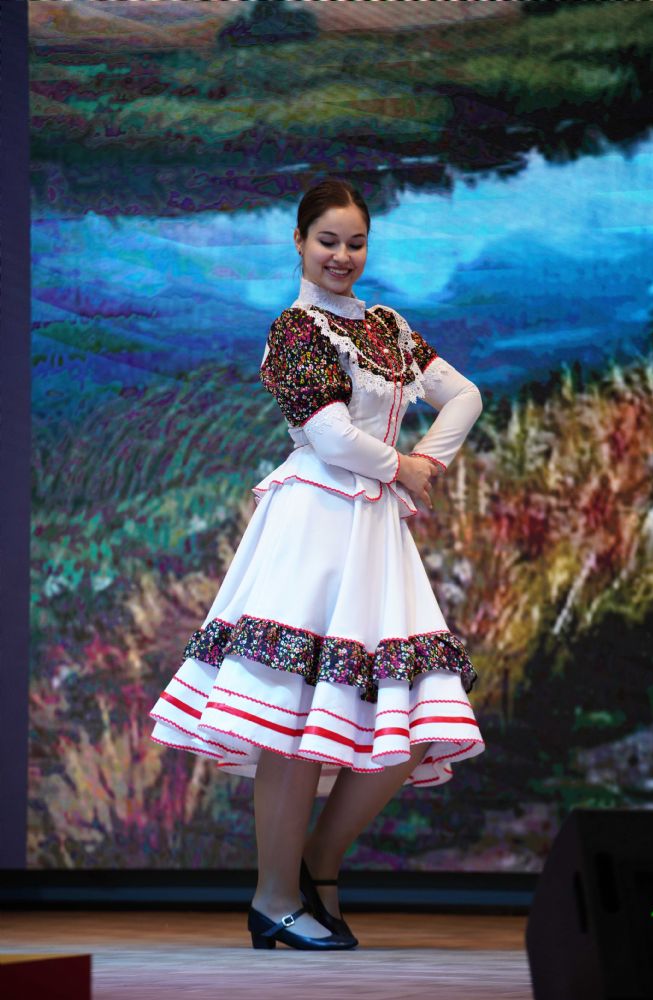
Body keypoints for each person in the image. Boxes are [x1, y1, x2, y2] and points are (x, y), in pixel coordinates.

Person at [148, 177, 485, 951]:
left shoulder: (388, 326)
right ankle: (274, 898)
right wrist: (402, 467)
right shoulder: (296, 328)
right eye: (327, 240)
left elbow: (463, 395)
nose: (341, 255)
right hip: (314, 522)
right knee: (291, 711)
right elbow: (329, 436)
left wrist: (427, 462)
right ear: (298, 242)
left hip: (373, 531)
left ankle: (317, 864)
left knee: (412, 711)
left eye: (354, 242)